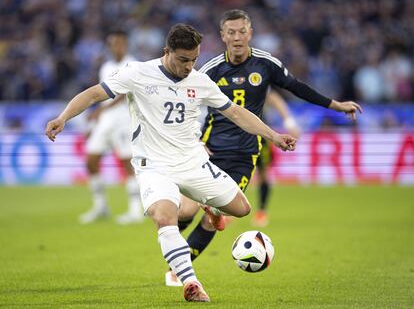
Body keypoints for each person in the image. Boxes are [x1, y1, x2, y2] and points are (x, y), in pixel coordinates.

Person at [45, 23, 297, 302]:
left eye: (194, 60)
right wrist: (63, 117)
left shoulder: (200, 81)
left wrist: (273, 135)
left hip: (192, 162)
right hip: (153, 165)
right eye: (183, 60)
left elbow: (236, 113)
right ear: (167, 52)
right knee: (164, 218)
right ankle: (190, 282)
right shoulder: (138, 73)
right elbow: (93, 94)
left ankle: (210, 205)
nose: (189, 66)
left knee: (241, 209)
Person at [165, 9, 362, 287]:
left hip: (245, 154)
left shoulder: (265, 64)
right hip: (209, 151)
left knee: (216, 216)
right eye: (230, 32)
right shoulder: (209, 69)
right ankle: (173, 241)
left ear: (250, 33)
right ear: (222, 36)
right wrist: (194, 140)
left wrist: (336, 104)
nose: (236, 37)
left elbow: (297, 87)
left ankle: (177, 271)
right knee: (185, 212)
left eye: (241, 31)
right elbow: (186, 104)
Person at [80, 29, 143, 225]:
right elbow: (102, 92)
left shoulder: (134, 65)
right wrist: (96, 119)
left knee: (127, 163)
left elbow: (124, 92)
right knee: (91, 161)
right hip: (106, 121)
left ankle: (135, 210)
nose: (116, 47)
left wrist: (101, 110)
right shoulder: (106, 66)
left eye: (120, 43)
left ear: (125, 44)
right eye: (113, 43)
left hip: (125, 120)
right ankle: (101, 207)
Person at [252, 90, 301, 227]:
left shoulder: (255, 75)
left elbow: (273, 98)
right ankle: (226, 212)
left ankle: (261, 211)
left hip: (261, 134)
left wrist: (289, 122)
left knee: (263, 172)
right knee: (229, 171)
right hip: (231, 134)